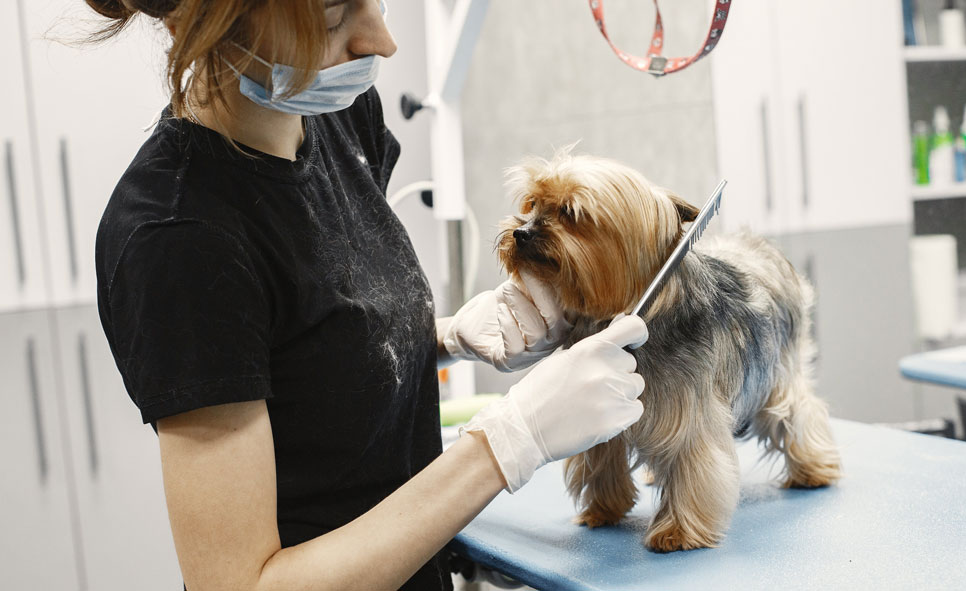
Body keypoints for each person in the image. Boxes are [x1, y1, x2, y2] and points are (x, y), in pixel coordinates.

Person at [88, 0, 648, 589]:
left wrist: (450, 335)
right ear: (198, 22)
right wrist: (508, 444)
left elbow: (311, 350)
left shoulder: (338, 116)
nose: (381, 41)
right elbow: (245, 583)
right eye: (332, 19)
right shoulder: (180, 240)